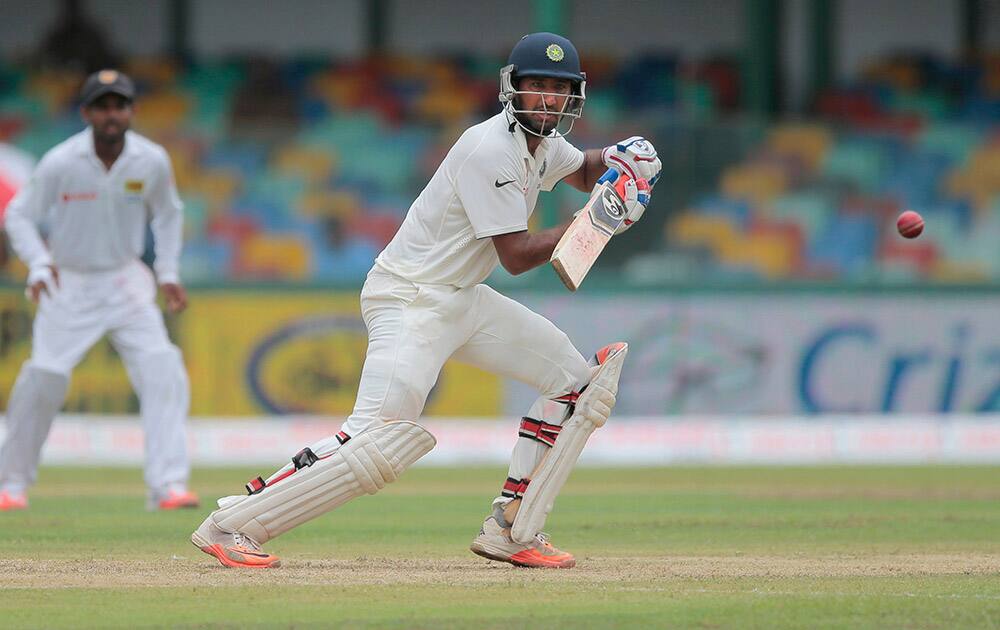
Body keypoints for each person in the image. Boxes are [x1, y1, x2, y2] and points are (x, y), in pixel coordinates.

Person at [191, 32, 661, 568]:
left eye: (559, 89)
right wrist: (598, 220)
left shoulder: (545, 145)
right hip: (411, 297)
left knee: (577, 386)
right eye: (538, 87)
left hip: (460, 297)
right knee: (377, 441)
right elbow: (516, 254)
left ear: (573, 96)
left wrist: (622, 160)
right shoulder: (489, 149)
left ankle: (511, 528)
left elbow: (581, 171)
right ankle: (229, 527)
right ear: (514, 89)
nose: (548, 99)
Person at [0, 70, 198, 512]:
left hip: (126, 278)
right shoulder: (61, 162)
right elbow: (19, 216)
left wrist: (166, 270)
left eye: (120, 105)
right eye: (103, 106)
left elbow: (168, 214)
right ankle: (10, 484)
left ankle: (168, 485)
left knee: (162, 367)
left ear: (131, 111)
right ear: (87, 112)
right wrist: (38, 263)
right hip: (68, 280)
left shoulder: (151, 160)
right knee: (45, 377)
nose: (112, 114)